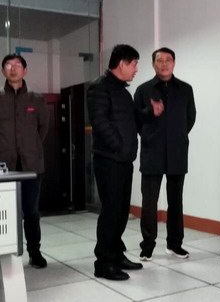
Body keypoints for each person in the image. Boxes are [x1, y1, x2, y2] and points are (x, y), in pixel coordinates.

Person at [0, 54, 49, 269]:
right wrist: (0, 145)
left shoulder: (36, 99)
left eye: (18, 65)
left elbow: (43, 129)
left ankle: (34, 252)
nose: (13, 69)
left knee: (31, 211)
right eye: (8, 65)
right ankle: (0, 256)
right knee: (2, 213)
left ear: (25, 70)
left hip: (31, 165)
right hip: (3, 166)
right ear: (3, 71)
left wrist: (29, 147)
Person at [87, 44, 142, 281]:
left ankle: (117, 255)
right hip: (109, 160)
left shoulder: (123, 92)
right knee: (110, 212)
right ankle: (104, 263)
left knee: (121, 212)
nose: (136, 69)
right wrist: (119, 146)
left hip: (124, 160)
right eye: (134, 64)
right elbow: (100, 122)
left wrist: (150, 113)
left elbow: (132, 121)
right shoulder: (99, 87)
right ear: (122, 64)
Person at [135, 47, 196, 261]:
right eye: (159, 60)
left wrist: (176, 136)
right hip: (152, 151)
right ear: (153, 64)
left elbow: (190, 118)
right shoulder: (143, 90)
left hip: (177, 151)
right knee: (149, 202)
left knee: (176, 201)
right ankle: (147, 246)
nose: (164, 64)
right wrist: (150, 113)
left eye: (168, 60)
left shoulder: (186, 89)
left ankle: (175, 244)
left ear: (174, 63)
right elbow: (136, 120)